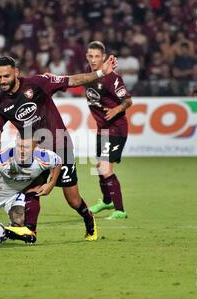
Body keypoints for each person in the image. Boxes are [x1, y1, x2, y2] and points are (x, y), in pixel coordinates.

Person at [0, 55, 117, 241]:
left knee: (73, 200)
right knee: (32, 188)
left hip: (60, 145)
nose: (2, 80)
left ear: (16, 73)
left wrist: (100, 72)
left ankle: (89, 219)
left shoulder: (38, 83)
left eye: (6, 76)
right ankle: (30, 231)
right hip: (33, 151)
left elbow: (73, 80)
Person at [0, 135, 61, 244]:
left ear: (35, 147)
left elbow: (58, 162)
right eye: (19, 146)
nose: (22, 151)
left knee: (19, 222)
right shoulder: (2, 159)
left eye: (26, 147)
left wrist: (51, 184)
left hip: (17, 193)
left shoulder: (44, 157)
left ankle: (0, 231)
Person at [83, 41, 133, 220]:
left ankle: (120, 210)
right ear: (87, 56)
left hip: (116, 128)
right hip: (102, 129)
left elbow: (128, 101)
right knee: (100, 167)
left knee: (105, 168)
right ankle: (106, 201)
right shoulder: (89, 74)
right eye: (91, 56)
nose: (94, 59)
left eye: (97, 56)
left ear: (103, 57)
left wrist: (116, 110)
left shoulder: (112, 78)